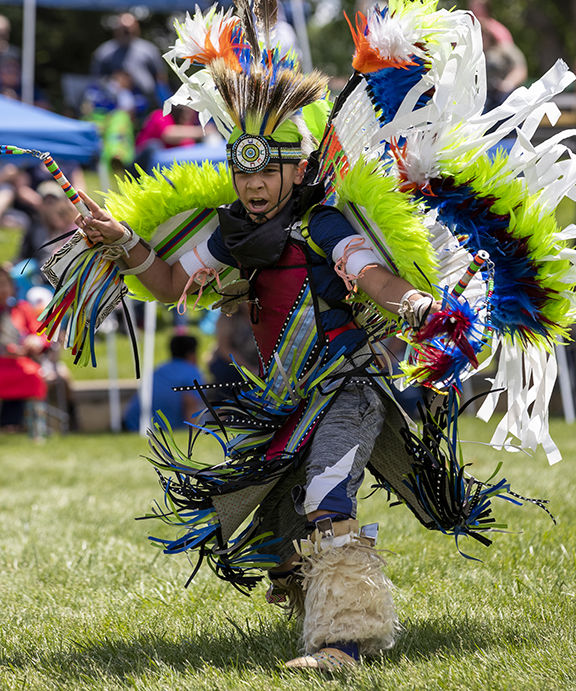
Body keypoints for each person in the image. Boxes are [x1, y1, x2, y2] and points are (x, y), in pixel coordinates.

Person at [42, 0, 575, 674]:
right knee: (262, 531)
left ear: (296, 171)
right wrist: (124, 246)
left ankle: (344, 642)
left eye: (268, 173)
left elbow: (375, 278)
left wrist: (418, 308)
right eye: (244, 173)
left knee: (329, 500)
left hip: (347, 386)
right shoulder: (231, 234)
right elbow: (176, 284)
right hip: (286, 400)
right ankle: (304, 585)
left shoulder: (322, 228)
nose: (255, 185)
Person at [122, 334, 204, 431]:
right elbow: (190, 404)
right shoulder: (191, 372)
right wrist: (196, 432)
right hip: (156, 429)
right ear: (191, 354)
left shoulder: (160, 369)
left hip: (131, 423)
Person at [0, 264, 47, 432]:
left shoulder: (22, 309)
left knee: (32, 375)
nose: (2, 289)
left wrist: (35, 341)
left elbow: (40, 333)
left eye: (4, 284)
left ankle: (29, 428)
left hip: (20, 363)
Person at [91, 13, 168, 112]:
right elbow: (96, 79)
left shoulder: (149, 50)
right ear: (116, 30)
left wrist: (163, 101)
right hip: (114, 107)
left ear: (136, 29)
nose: (126, 32)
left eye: (129, 29)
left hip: (147, 103)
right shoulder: (104, 52)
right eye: (123, 29)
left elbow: (160, 77)